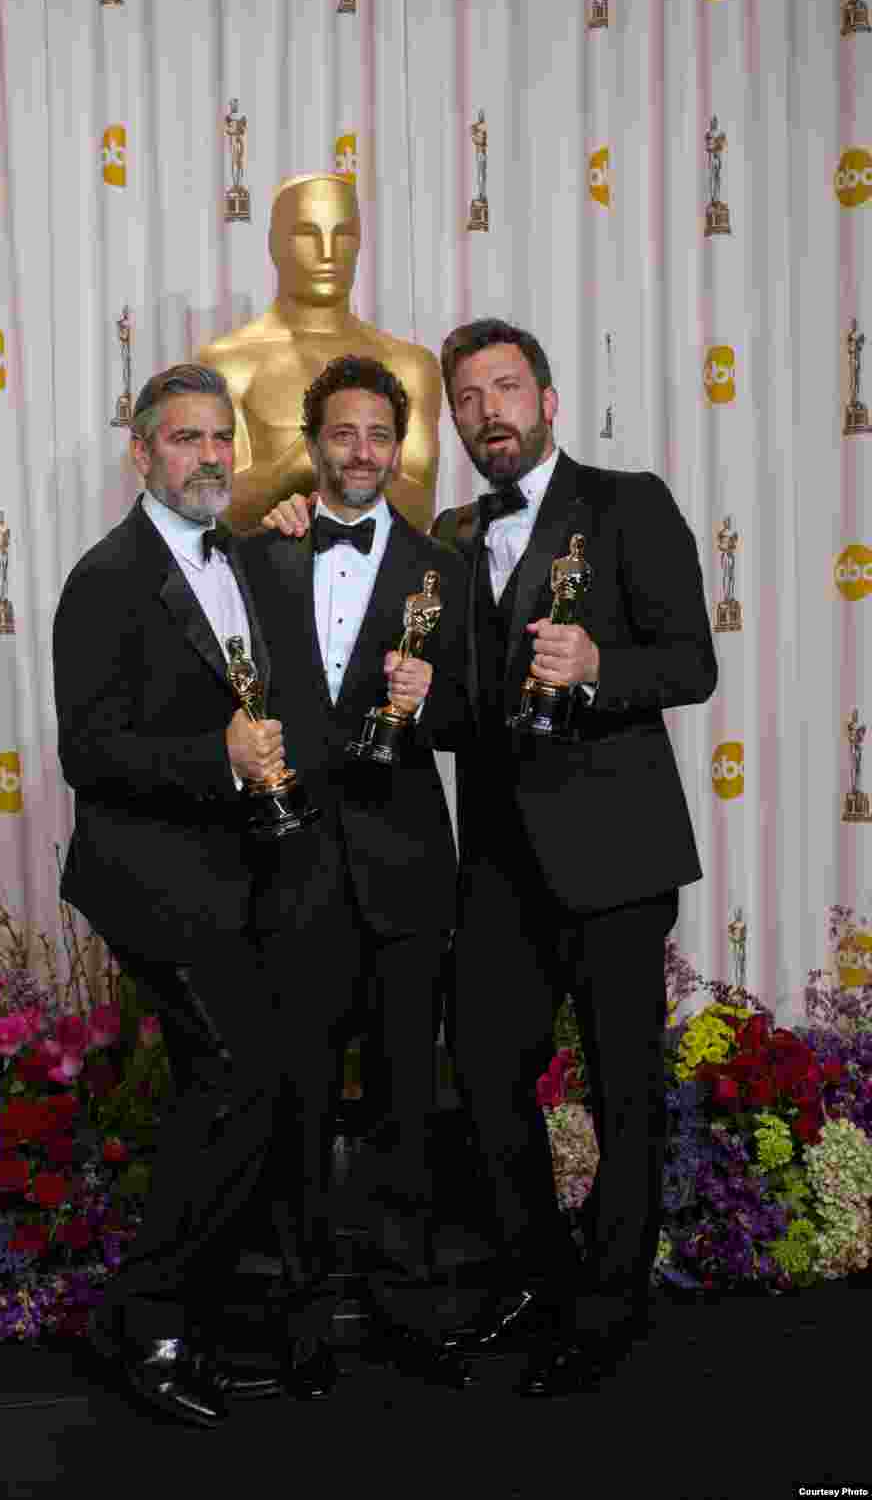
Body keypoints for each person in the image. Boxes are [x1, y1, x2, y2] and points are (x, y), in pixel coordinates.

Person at [263, 318, 718, 1396]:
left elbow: (691, 661)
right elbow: (463, 711)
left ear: (547, 399)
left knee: (621, 1089)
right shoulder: (455, 537)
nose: (487, 414)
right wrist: (418, 708)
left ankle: (608, 1308)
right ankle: (538, 1274)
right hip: (500, 866)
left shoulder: (627, 502)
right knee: (485, 1074)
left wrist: (601, 662)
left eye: (504, 390)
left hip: (616, 858)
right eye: (467, 400)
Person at [53, 363, 290, 1428]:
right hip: (148, 876)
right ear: (141, 456)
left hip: (230, 872)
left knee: (232, 1087)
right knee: (239, 1074)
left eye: (219, 439)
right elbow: (87, 751)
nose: (207, 457)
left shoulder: (239, 556)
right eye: (185, 439)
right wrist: (219, 756)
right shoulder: (106, 577)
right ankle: (141, 1327)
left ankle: (180, 1319)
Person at [237, 353, 473, 1395]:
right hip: (289, 865)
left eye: (380, 434)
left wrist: (436, 698)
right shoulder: (257, 558)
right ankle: (299, 1319)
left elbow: (481, 717)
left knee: (403, 1103)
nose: (363, 452)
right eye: (343, 434)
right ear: (313, 440)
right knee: (293, 1099)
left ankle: (405, 1303)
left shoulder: (444, 571)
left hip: (407, 873)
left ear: (400, 442)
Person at [197, 171, 441, 533]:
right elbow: (217, 507)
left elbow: (419, 510)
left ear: (359, 244)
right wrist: (321, 462)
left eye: (342, 234)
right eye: (307, 234)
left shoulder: (411, 365)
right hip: (265, 580)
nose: (327, 252)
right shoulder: (227, 365)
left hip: (386, 581)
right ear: (274, 244)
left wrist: (299, 469)